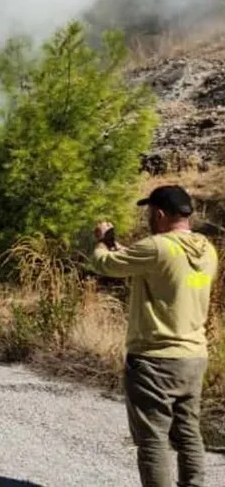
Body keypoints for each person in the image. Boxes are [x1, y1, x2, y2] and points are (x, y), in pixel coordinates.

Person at [91, 185, 218, 487]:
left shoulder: (157, 246)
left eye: (149, 212)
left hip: (154, 360)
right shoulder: (207, 250)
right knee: (188, 433)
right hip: (193, 358)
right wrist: (116, 245)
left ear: (159, 214)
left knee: (153, 439)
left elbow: (105, 265)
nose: (148, 218)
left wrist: (99, 243)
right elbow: (150, 264)